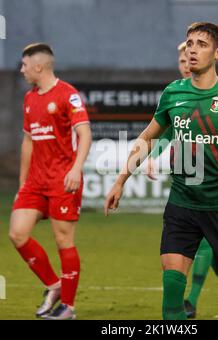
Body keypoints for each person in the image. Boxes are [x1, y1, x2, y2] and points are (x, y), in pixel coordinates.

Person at [105, 22, 218, 320]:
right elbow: (147, 139)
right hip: (181, 204)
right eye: (190, 43)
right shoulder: (173, 93)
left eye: (202, 44)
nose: (193, 49)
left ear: (217, 52)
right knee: (172, 285)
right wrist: (120, 180)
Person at [147, 42, 218, 318]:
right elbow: (167, 132)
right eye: (182, 60)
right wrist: (155, 156)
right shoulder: (177, 95)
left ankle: (193, 301)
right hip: (187, 185)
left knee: (209, 247)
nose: (185, 63)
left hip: (217, 187)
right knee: (208, 250)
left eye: (188, 58)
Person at [9, 43, 92, 320]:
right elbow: (28, 141)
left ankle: (67, 307)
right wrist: (23, 182)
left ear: (39, 66)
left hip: (62, 179)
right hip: (35, 182)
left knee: (63, 241)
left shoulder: (68, 95)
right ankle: (53, 285)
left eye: (24, 65)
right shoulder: (30, 99)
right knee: (17, 233)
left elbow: (85, 134)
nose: (21, 70)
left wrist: (76, 169)